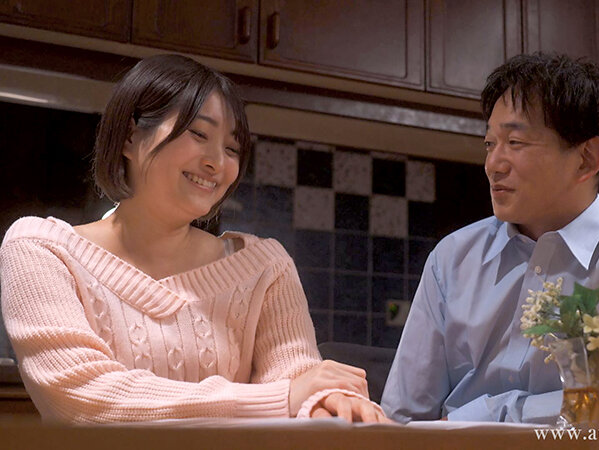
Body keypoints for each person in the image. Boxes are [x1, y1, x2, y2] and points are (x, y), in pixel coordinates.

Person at [0, 54, 388, 424]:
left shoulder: (265, 266)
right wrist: (282, 398)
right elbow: (82, 397)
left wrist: (328, 401)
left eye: (232, 148)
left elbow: (296, 375)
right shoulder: (42, 249)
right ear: (130, 138)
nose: (217, 162)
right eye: (198, 134)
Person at [381, 52, 599, 423]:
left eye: (515, 142)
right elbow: (402, 418)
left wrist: (484, 416)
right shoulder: (453, 259)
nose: (493, 165)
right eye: (489, 144)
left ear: (586, 159)